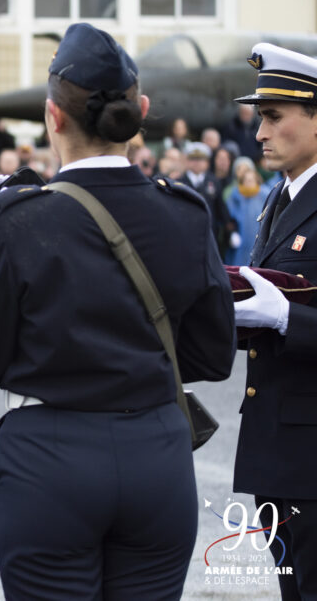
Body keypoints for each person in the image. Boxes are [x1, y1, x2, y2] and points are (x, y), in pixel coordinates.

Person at [0, 23, 235, 600]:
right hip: (157, 452)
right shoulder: (185, 212)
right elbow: (211, 354)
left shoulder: (15, 220)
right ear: (142, 110)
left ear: (53, 118)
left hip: (51, 460)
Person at [229, 42, 317, 601]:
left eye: (273, 117)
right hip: (279, 454)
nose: (259, 133)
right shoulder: (279, 199)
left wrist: (288, 318)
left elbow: (286, 310)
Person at [179, 141, 235, 255]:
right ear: (187, 161)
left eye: (201, 159)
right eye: (193, 159)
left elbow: (221, 208)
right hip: (186, 234)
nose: (197, 163)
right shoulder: (179, 183)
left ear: (207, 162)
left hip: (210, 234)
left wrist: (231, 230)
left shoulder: (213, 181)